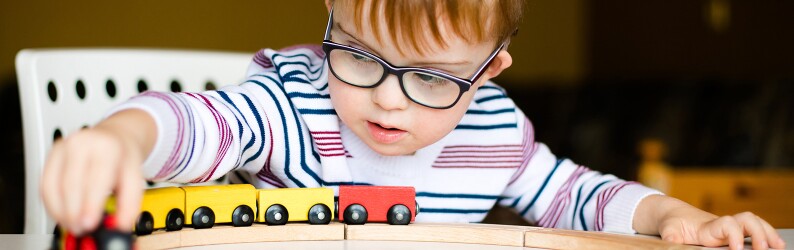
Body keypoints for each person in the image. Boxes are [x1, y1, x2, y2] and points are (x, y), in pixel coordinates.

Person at [41, 0, 785, 249]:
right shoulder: (294, 105)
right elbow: (196, 124)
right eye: (359, 59)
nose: (389, 102)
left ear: (487, 73)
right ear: (329, 21)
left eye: (430, 78)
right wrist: (120, 140)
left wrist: (673, 216)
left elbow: (580, 198)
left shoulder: (494, 132)